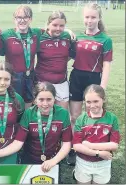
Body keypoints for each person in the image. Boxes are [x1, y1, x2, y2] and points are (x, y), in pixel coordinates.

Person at [0, 82, 72, 172]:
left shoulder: (63, 114)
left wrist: (53, 161)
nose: (45, 104)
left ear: (54, 99)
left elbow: (67, 143)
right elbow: (17, 143)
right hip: (29, 161)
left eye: (49, 99)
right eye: (41, 100)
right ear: (35, 100)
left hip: (52, 162)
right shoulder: (28, 114)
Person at [68, 2, 113, 165]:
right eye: (87, 17)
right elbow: (68, 55)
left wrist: (102, 87)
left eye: (93, 17)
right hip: (77, 77)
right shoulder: (76, 37)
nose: (89, 20)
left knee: (92, 116)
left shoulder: (105, 40)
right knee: (74, 116)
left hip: (94, 79)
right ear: (83, 18)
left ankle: (91, 147)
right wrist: (67, 31)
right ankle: (75, 147)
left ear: (99, 18)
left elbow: (107, 64)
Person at [72, 84, 120, 184]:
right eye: (88, 102)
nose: (92, 105)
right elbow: (76, 145)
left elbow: (114, 145)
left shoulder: (112, 118)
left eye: (96, 101)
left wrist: (90, 145)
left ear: (104, 99)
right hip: (83, 161)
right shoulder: (81, 119)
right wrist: (98, 153)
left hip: (103, 163)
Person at [1, 5, 42, 108]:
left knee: (29, 102)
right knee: (15, 103)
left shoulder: (36, 33)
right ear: (14, 19)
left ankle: (26, 123)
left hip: (30, 75)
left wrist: (68, 31)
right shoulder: (6, 34)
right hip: (14, 76)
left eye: (26, 17)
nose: (22, 20)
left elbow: (53, 30)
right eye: (19, 17)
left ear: (30, 19)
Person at [35, 11, 72, 110]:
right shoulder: (39, 37)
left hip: (61, 82)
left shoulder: (67, 37)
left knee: (62, 114)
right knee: (43, 114)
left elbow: (70, 55)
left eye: (61, 25)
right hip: (42, 82)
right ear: (48, 24)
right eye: (55, 25)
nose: (58, 28)